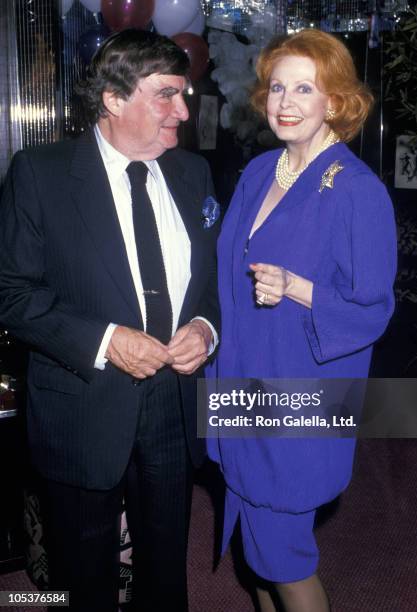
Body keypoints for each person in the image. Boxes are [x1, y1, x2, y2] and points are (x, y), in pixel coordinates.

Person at [0, 30, 219, 612]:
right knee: (82, 579)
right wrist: (106, 340)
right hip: (82, 402)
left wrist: (204, 328)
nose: (184, 110)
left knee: (168, 572)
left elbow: (211, 284)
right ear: (114, 99)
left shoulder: (193, 174)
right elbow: (12, 294)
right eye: (167, 95)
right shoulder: (40, 173)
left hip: (174, 405)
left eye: (185, 93)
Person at [208, 29, 396, 611]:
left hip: (299, 394)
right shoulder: (261, 170)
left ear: (335, 103)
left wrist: (298, 289)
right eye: (277, 88)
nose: (284, 103)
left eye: (304, 89)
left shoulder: (358, 192)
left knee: (284, 559)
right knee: (254, 554)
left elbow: (374, 309)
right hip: (241, 380)